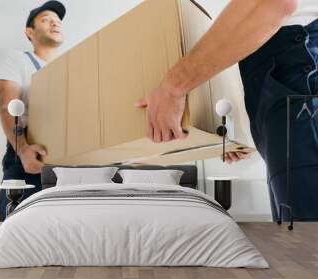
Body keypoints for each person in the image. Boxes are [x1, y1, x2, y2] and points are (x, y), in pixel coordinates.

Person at [135, 0, 318, 221]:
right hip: (287, 76)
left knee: (304, 246)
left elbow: (273, 3)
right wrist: (235, 134)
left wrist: (172, 88)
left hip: (298, 62)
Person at [0, 1, 66, 221]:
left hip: (65, 157)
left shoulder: (67, 69)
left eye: (57, 20)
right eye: (46, 20)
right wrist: (22, 149)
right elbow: (8, 107)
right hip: (27, 154)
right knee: (18, 222)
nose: (54, 23)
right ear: (29, 32)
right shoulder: (17, 59)